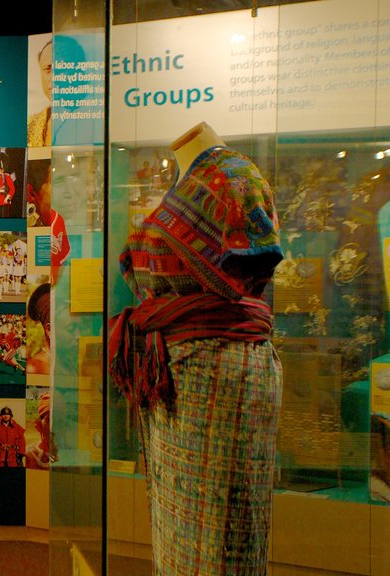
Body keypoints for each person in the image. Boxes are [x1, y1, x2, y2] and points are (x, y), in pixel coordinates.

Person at [108, 122, 283, 575]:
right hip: (178, 379)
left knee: (223, 534)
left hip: (219, 375)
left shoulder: (234, 178)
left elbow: (252, 263)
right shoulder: (189, 181)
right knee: (180, 531)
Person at [25, 393, 58, 469]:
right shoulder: (29, 456)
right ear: (39, 425)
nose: (54, 427)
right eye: (49, 420)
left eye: (60, 421)